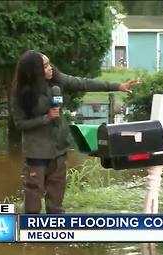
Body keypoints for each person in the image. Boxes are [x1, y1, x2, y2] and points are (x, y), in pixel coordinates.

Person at [11, 50, 137, 214]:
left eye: (50, 64)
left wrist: (118, 86)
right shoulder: (21, 94)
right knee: (33, 195)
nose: (50, 68)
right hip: (37, 152)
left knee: (56, 196)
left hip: (59, 148)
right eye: (45, 66)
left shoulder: (56, 80)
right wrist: (45, 118)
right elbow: (20, 124)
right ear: (33, 71)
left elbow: (83, 83)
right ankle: (33, 234)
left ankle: (56, 231)